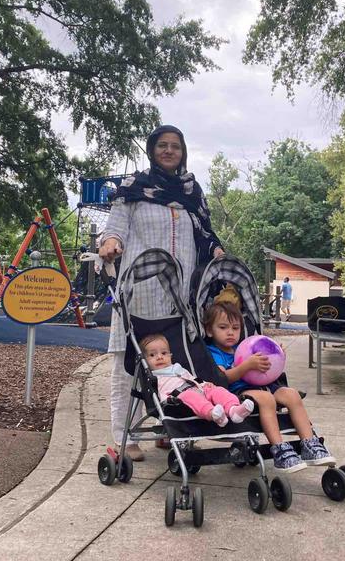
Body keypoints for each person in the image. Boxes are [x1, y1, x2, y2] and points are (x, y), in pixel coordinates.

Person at [98, 124, 224, 461]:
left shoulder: (191, 192)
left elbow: (205, 234)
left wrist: (217, 253)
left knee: (179, 363)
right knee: (130, 363)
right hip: (139, 291)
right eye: (162, 145)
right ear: (153, 150)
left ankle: (174, 427)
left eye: (176, 146)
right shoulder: (134, 189)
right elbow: (115, 229)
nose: (169, 151)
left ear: (183, 153)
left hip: (179, 295)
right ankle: (124, 435)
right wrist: (110, 243)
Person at [203, 302, 335, 473]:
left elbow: (269, 368)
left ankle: (309, 444)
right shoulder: (213, 352)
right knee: (266, 399)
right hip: (237, 392)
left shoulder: (246, 346)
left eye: (235, 328)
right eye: (223, 327)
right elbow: (222, 378)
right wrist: (247, 366)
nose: (230, 332)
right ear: (209, 330)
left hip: (265, 385)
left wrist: (276, 356)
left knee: (291, 394)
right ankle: (279, 448)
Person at [140, 334, 254, 426]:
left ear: (170, 355)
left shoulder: (178, 368)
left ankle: (234, 410)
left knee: (218, 390)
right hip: (177, 398)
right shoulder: (153, 376)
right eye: (152, 355)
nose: (159, 357)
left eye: (164, 353)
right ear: (144, 360)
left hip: (197, 389)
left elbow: (192, 378)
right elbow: (160, 394)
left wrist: (204, 384)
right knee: (190, 396)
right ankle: (213, 413)